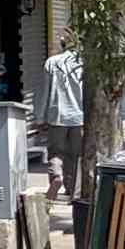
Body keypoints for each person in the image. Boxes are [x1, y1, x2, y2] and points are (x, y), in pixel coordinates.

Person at [39, 34, 85, 200]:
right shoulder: (83, 63)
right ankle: (73, 190)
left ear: (62, 44)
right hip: (79, 117)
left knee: (56, 152)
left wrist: (40, 117)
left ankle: (56, 176)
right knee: (76, 155)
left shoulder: (52, 62)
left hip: (56, 115)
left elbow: (45, 91)